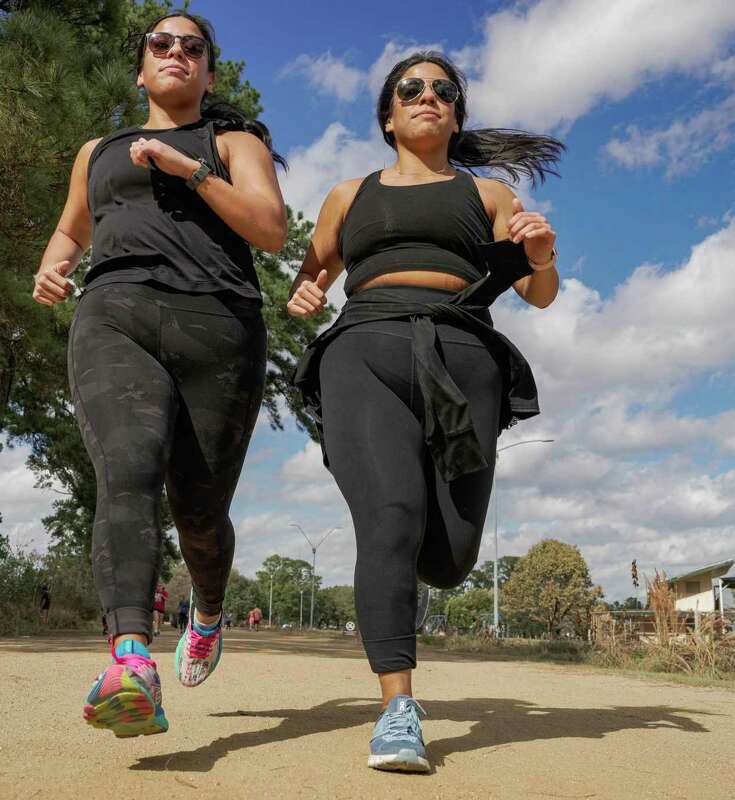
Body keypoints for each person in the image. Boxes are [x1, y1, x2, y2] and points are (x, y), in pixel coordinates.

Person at [288, 51, 562, 772]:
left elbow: (541, 294)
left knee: (448, 557)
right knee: (390, 519)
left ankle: (421, 577)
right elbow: (312, 272)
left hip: (463, 357)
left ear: (457, 114)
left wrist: (540, 253)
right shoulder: (350, 195)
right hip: (365, 351)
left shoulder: (490, 196)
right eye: (412, 89)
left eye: (445, 91)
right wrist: (306, 292)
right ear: (388, 115)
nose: (429, 97)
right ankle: (398, 709)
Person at [31, 11, 286, 738]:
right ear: (141, 67)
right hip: (114, 314)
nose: (176, 52)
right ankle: (131, 658)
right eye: (160, 44)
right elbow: (72, 227)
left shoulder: (234, 142)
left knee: (200, 513)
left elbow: (269, 228)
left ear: (208, 71)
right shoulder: (98, 150)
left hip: (220, 327)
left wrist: (192, 170)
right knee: (128, 473)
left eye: (192, 47)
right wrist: (55, 266)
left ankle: (206, 610)